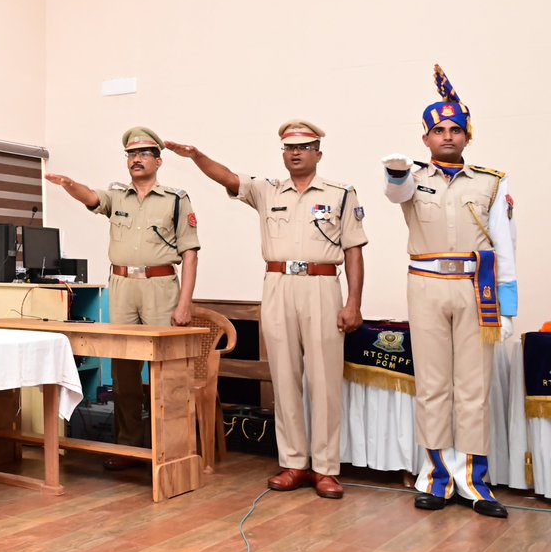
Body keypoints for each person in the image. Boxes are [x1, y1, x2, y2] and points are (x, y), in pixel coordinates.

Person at [166, 121, 366, 499]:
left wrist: (353, 302)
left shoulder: (341, 194)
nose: (296, 153)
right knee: (284, 379)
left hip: (323, 285)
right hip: (277, 285)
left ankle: (325, 469)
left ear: (318, 154)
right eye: (289, 148)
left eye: (305, 147)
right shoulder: (267, 190)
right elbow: (227, 177)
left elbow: (354, 251)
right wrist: (195, 157)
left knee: (324, 381)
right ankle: (293, 463)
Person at [382, 65, 516, 519]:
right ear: (426, 138)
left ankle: (476, 484)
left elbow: (504, 242)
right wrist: (397, 171)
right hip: (426, 286)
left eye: (455, 129)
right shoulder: (411, 178)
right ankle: (436, 479)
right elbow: (395, 193)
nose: (447, 136)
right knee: (434, 386)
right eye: (438, 130)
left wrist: (509, 302)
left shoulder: (491, 181)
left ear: (466, 136)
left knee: (474, 388)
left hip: (475, 288)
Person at [45, 127, 199, 469]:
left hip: (161, 287)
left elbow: (190, 253)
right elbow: (91, 197)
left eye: (143, 154)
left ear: (158, 161)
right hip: (122, 285)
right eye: (131, 154)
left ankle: (170, 449)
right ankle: (128, 446)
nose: (136, 159)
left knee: (167, 370)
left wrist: (185, 303)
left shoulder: (176, 199)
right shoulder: (118, 196)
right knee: (124, 370)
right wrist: (70, 185)